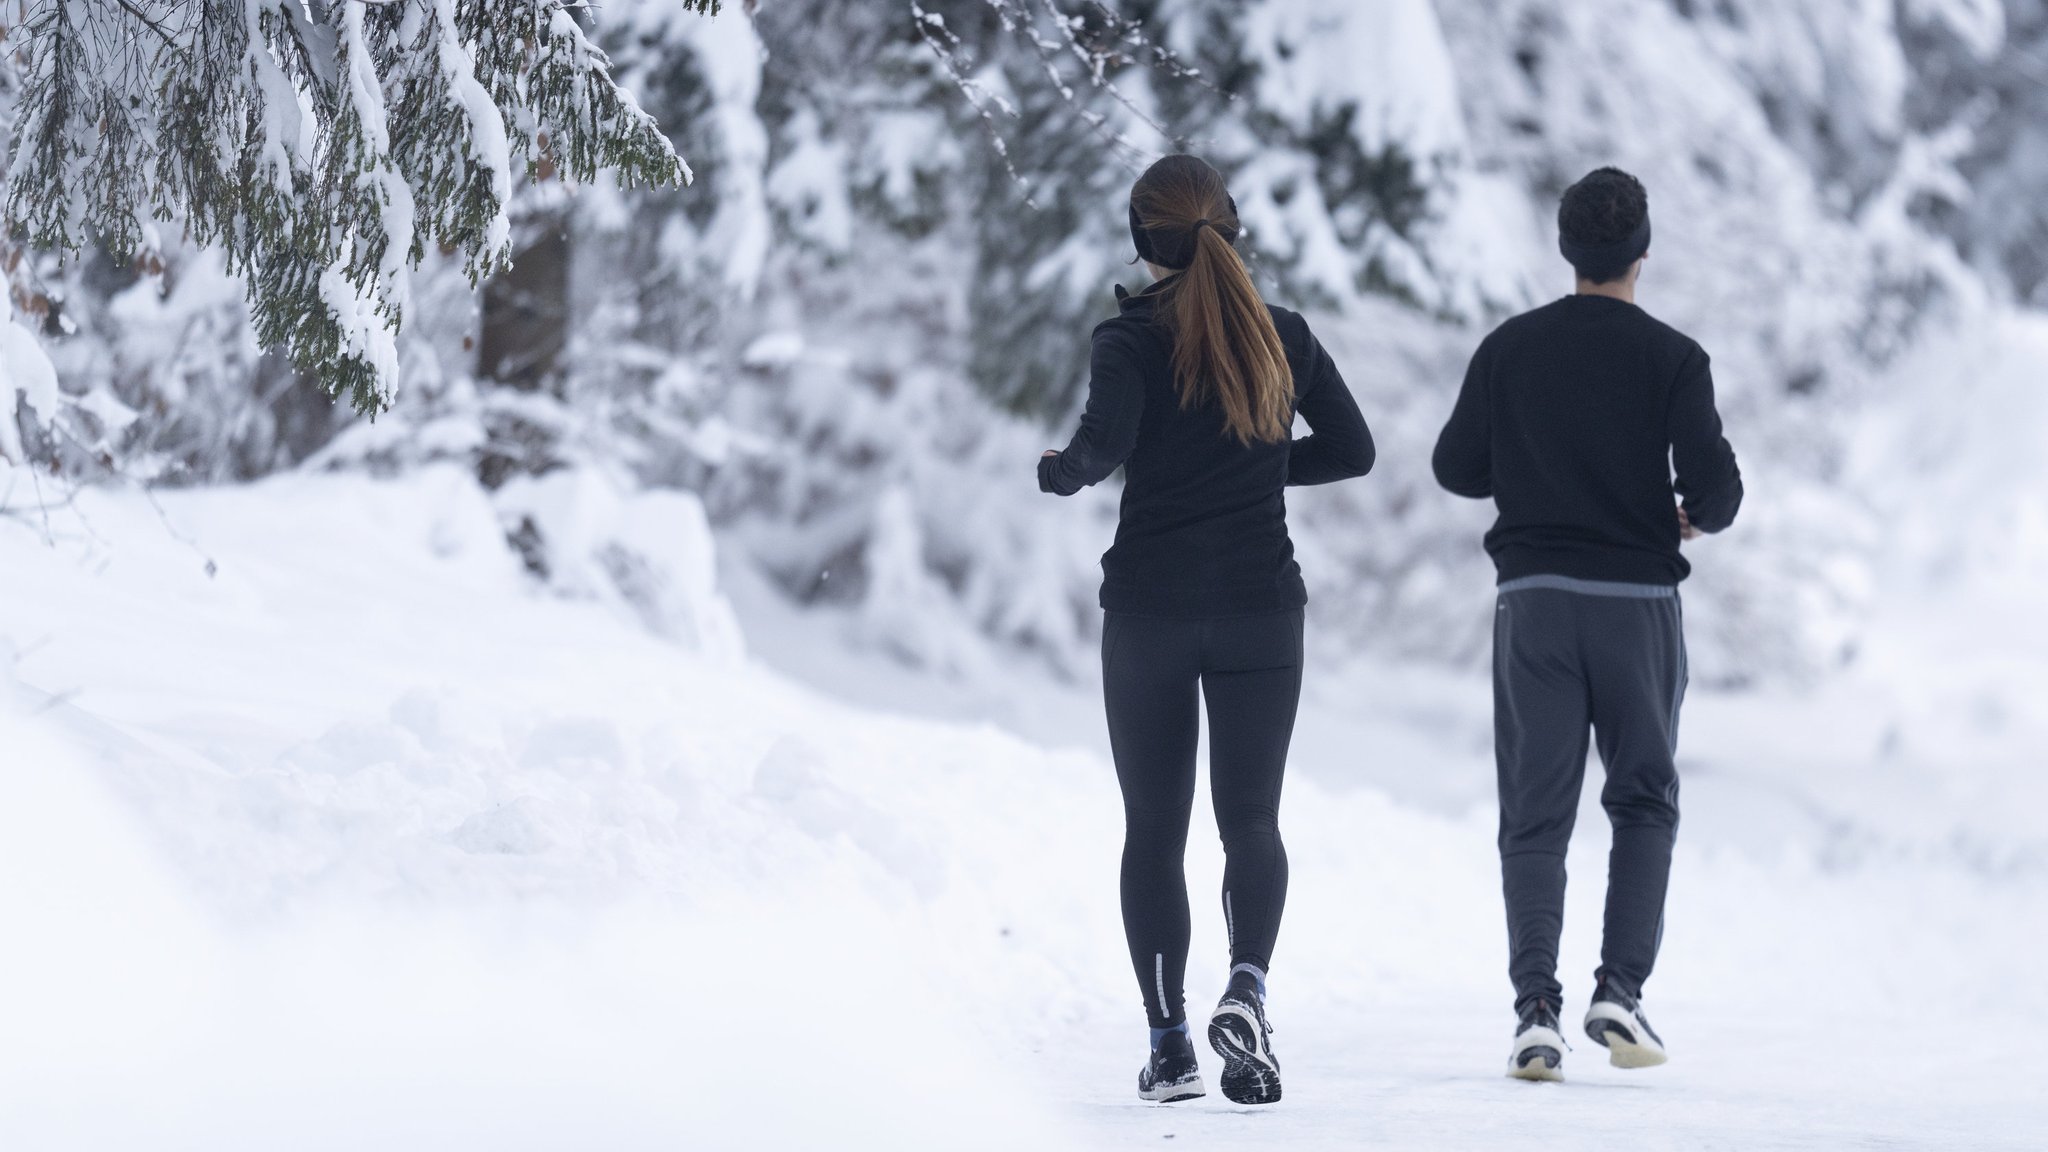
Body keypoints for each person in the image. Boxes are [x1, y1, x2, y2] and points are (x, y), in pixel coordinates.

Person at [1038, 154, 1374, 1105]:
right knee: (1252, 821)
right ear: (1228, 228)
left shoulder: (1127, 339)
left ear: (1144, 242)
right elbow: (1353, 451)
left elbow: (1100, 452)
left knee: (1155, 829)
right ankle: (1249, 988)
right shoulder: (1285, 336)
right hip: (1261, 611)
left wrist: (1058, 469)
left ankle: (1172, 1045)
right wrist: (1259, 471)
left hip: (1149, 613)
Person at [1432, 166, 1743, 1081]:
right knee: (1642, 800)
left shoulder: (1509, 348)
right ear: (1642, 253)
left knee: (1534, 813)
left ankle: (1535, 1012)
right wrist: (1685, 511)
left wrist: (1532, 467)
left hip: (1533, 605)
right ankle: (1621, 991)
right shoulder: (1675, 358)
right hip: (1637, 609)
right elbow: (1717, 493)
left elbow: (1457, 468)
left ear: (1566, 249)